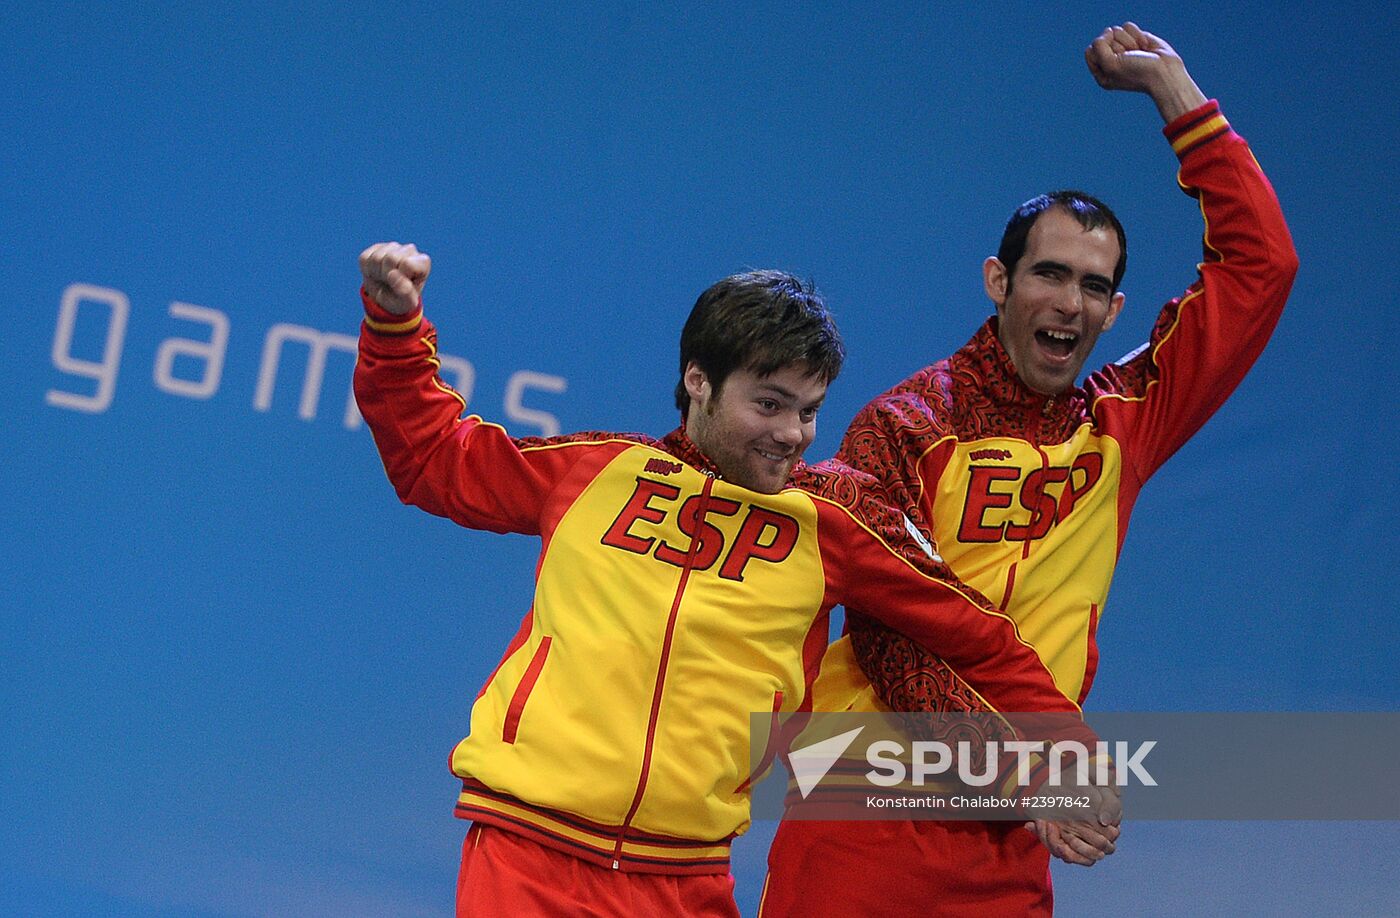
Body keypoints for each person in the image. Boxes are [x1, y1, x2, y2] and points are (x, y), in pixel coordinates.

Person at [353, 259, 1096, 916]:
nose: (793, 434)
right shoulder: (598, 472)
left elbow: (978, 638)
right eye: (769, 404)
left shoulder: (835, 520)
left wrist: (1068, 757)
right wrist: (395, 331)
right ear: (698, 382)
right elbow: (433, 460)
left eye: (809, 411)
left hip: (687, 875)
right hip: (528, 852)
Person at [761, 22, 1299, 917]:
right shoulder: (903, 426)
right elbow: (897, 638)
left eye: (1094, 286)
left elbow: (1261, 267)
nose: (1070, 302)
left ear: (1115, 307)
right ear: (997, 283)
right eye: (1049, 274)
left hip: (1012, 840)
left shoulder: (1124, 423)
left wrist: (1177, 96)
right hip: (866, 809)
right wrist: (1028, 770)